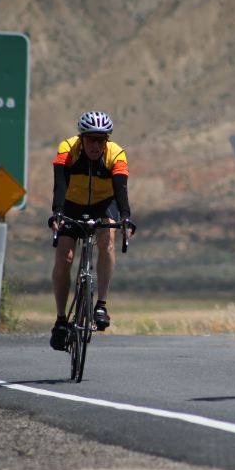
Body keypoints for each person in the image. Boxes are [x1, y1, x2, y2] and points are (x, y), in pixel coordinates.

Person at [48, 110, 135, 350]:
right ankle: (61, 320)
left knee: (107, 237)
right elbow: (60, 184)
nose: (96, 145)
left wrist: (126, 218)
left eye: (101, 139)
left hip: (104, 203)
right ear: (81, 138)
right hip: (72, 204)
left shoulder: (116, 154)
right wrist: (57, 212)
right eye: (91, 139)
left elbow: (121, 190)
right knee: (64, 256)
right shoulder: (67, 149)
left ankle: (101, 304)